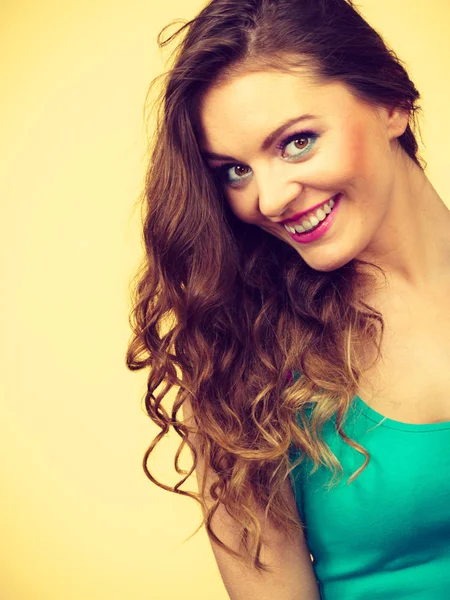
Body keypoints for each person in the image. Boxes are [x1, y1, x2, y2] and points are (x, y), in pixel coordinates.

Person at [126, 0, 450, 597]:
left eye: (296, 142)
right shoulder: (243, 360)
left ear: (391, 104)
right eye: (233, 171)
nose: (269, 200)